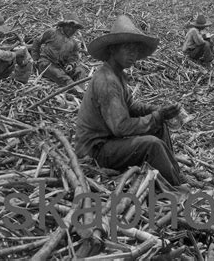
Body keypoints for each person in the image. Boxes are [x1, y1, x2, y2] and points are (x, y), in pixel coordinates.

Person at [75, 15, 183, 186]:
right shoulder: (108, 81)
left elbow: (130, 106)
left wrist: (156, 110)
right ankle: (176, 186)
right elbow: (121, 127)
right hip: (95, 151)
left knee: (159, 125)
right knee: (152, 145)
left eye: (135, 50)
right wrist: (156, 117)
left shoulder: (117, 74)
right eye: (127, 48)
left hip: (109, 142)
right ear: (112, 50)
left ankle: (175, 172)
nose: (133, 54)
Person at [31, 13, 86, 89]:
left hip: (61, 67)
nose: (71, 29)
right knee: (63, 78)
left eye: (74, 28)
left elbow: (73, 58)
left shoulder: (74, 43)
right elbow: (37, 42)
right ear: (64, 25)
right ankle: (78, 92)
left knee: (80, 71)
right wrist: (35, 59)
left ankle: (81, 91)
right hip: (46, 64)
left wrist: (70, 65)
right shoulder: (52, 32)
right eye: (69, 26)